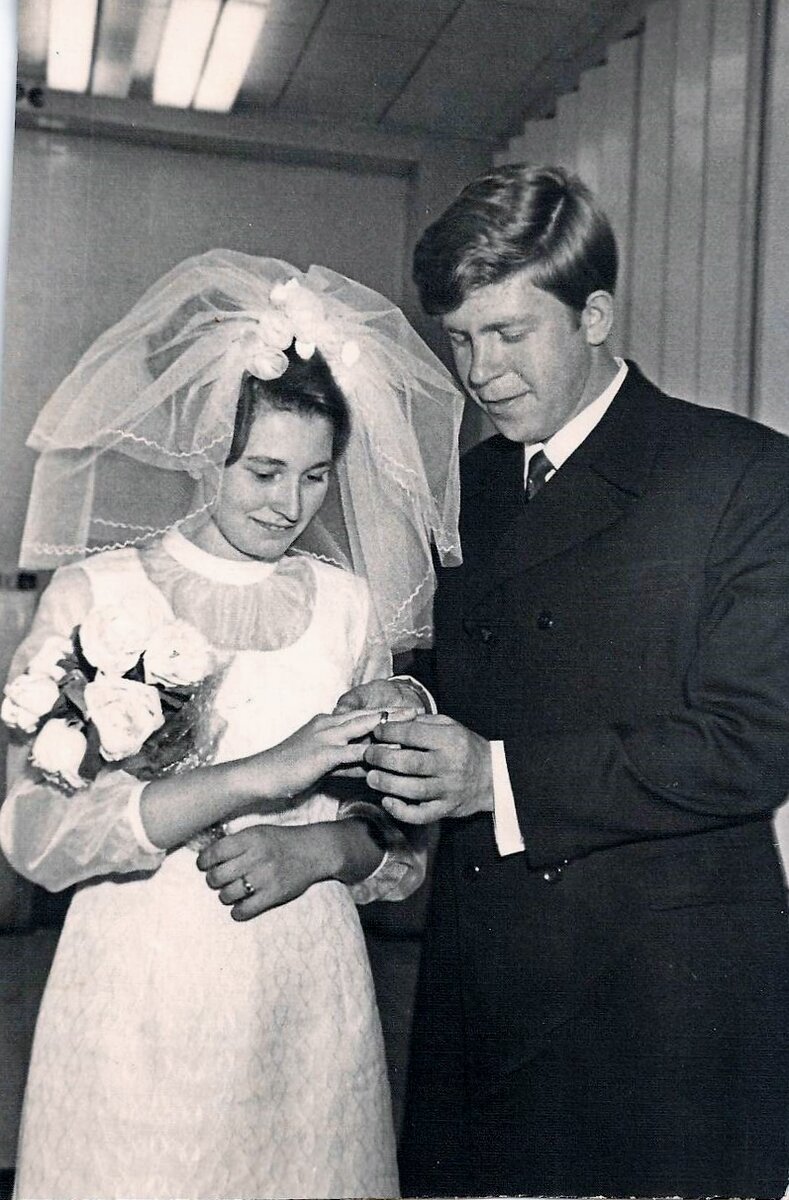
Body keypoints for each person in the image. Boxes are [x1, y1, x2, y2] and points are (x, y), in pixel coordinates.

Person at [338, 165, 789, 1198]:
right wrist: (411, 706)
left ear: (594, 316)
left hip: (661, 1012)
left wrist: (493, 779)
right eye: (460, 339)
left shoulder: (742, 477)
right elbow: (476, 672)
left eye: (508, 334)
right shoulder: (471, 485)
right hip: (483, 987)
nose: (480, 372)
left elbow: (754, 744)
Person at [0, 250, 463, 1200]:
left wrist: (323, 849)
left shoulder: (346, 610)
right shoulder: (99, 595)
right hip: (140, 997)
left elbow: (399, 844)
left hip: (307, 1003)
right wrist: (260, 774)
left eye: (314, 476)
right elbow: (35, 834)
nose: (288, 505)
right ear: (208, 446)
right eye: (262, 471)